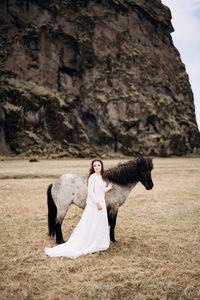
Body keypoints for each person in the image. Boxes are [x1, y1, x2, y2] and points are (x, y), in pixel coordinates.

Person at [45, 159, 113, 258]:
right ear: (93, 167)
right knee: (91, 223)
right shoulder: (92, 177)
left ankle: (98, 242)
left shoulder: (101, 177)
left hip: (101, 202)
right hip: (96, 204)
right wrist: (97, 203)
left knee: (99, 223)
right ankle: (88, 242)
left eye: (99, 165)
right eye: (95, 165)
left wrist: (108, 188)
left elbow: (100, 190)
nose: (97, 167)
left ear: (101, 166)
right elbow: (91, 193)